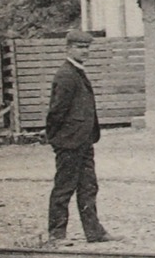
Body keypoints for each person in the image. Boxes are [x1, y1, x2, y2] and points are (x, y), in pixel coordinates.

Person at [45, 30, 112, 245]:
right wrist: (57, 139)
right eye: (81, 47)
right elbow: (56, 111)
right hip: (70, 142)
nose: (85, 51)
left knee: (88, 186)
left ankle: (94, 232)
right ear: (69, 48)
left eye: (87, 47)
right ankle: (56, 235)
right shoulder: (66, 75)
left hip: (84, 140)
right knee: (64, 187)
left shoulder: (77, 72)